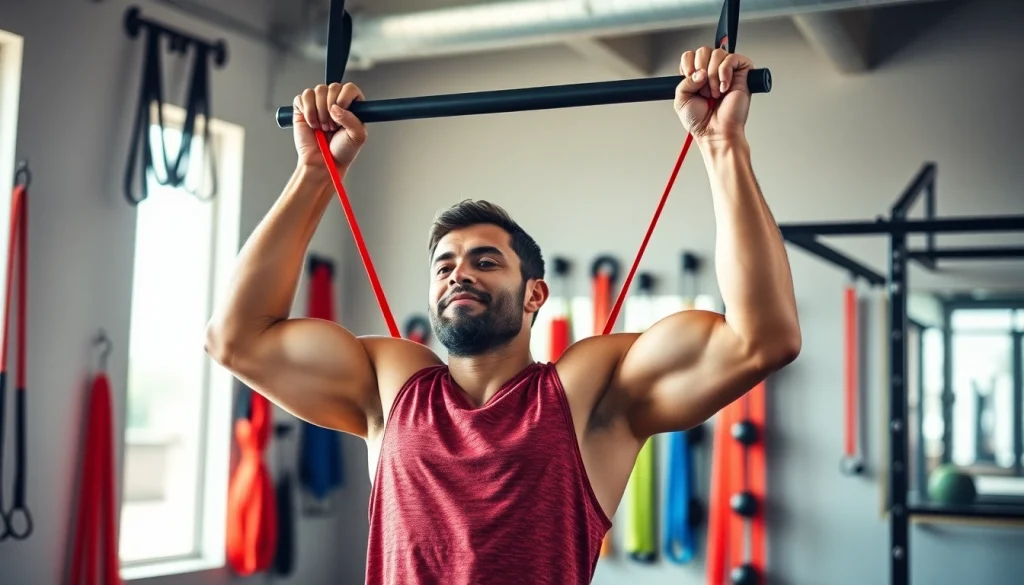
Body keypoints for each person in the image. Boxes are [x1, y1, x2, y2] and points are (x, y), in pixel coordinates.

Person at [206, 46, 801, 585]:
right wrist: (315, 172)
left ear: (535, 294)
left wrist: (721, 145)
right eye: (443, 266)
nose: (458, 274)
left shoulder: (586, 391)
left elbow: (762, 340)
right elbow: (234, 340)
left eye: (485, 261)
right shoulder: (392, 383)